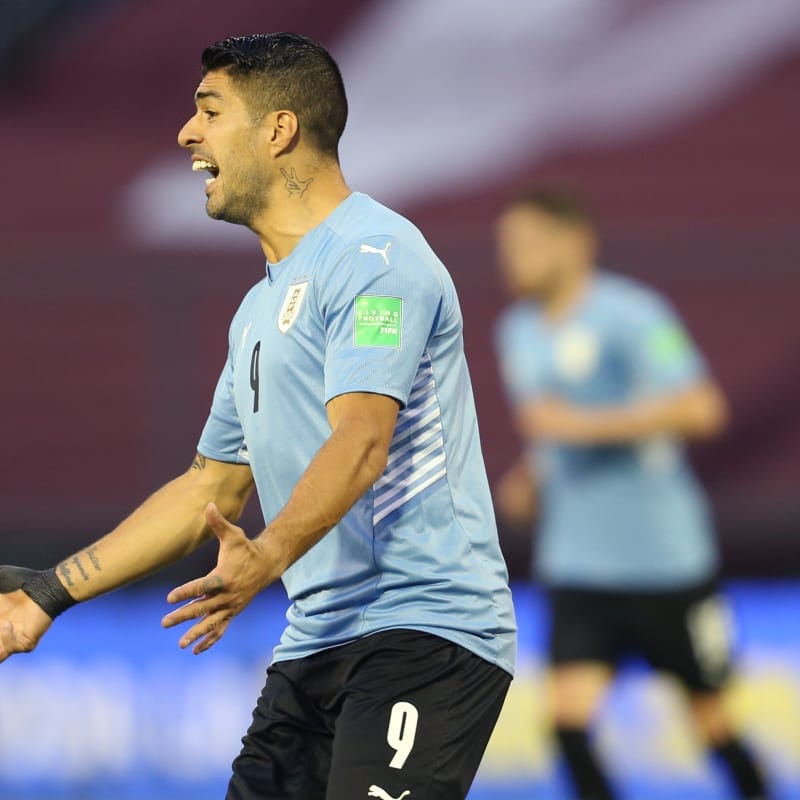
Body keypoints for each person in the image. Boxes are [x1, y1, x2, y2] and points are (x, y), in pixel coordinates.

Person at [0, 33, 516, 800]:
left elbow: (363, 440)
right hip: (314, 643)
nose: (186, 133)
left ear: (279, 130)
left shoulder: (380, 260)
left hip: (424, 635)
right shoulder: (258, 310)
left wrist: (267, 555)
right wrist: (50, 589)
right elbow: (209, 487)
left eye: (209, 110)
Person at [492, 187, 769, 800]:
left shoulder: (637, 316)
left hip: (666, 564)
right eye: (507, 246)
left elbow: (702, 408)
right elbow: (552, 430)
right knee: (568, 727)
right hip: (581, 565)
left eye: (529, 243)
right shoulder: (517, 331)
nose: (512, 258)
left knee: (714, 727)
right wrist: (534, 476)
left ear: (576, 244)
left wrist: (583, 427)